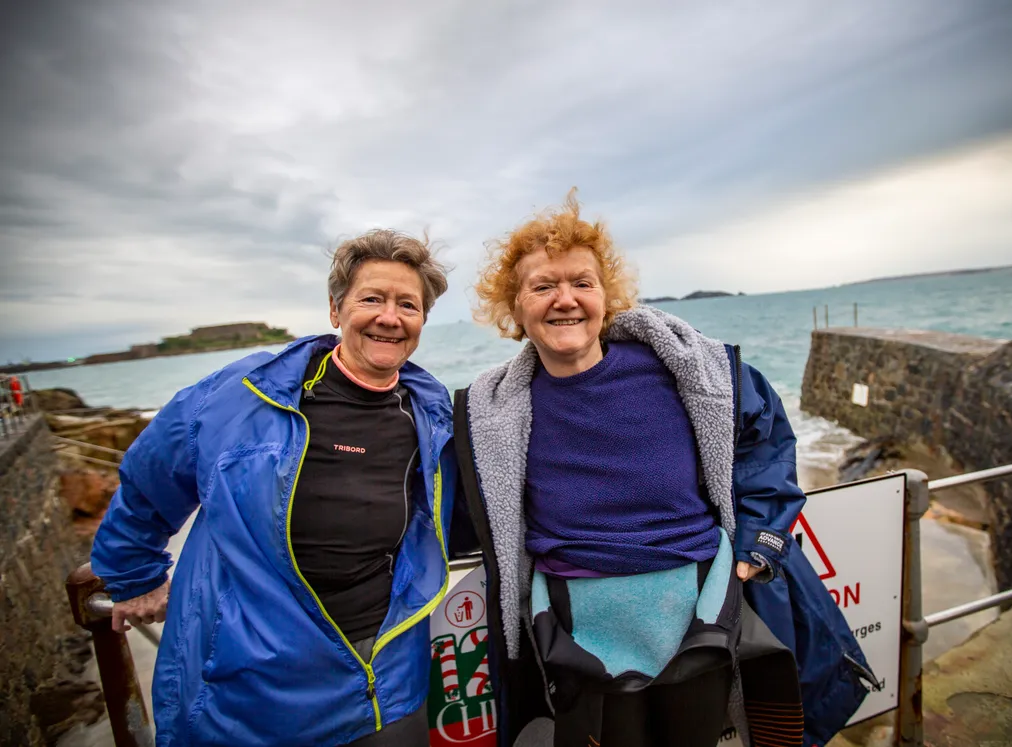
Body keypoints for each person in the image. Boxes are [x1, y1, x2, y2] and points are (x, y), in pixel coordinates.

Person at [453, 192, 875, 747]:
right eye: (543, 286)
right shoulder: (493, 409)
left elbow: (764, 446)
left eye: (583, 282)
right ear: (514, 304)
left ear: (608, 296)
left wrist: (752, 556)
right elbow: (455, 505)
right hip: (577, 632)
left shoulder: (688, 370)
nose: (566, 300)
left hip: (698, 613)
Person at [91, 230, 459, 746]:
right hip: (250, 682)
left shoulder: (430, 412)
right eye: (371, 299)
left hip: (383, 675)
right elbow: (150, 479)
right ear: (335, 311)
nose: (389, 317)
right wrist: (132, 575)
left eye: (408, 305)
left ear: (421, 322)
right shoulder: (241, 395)